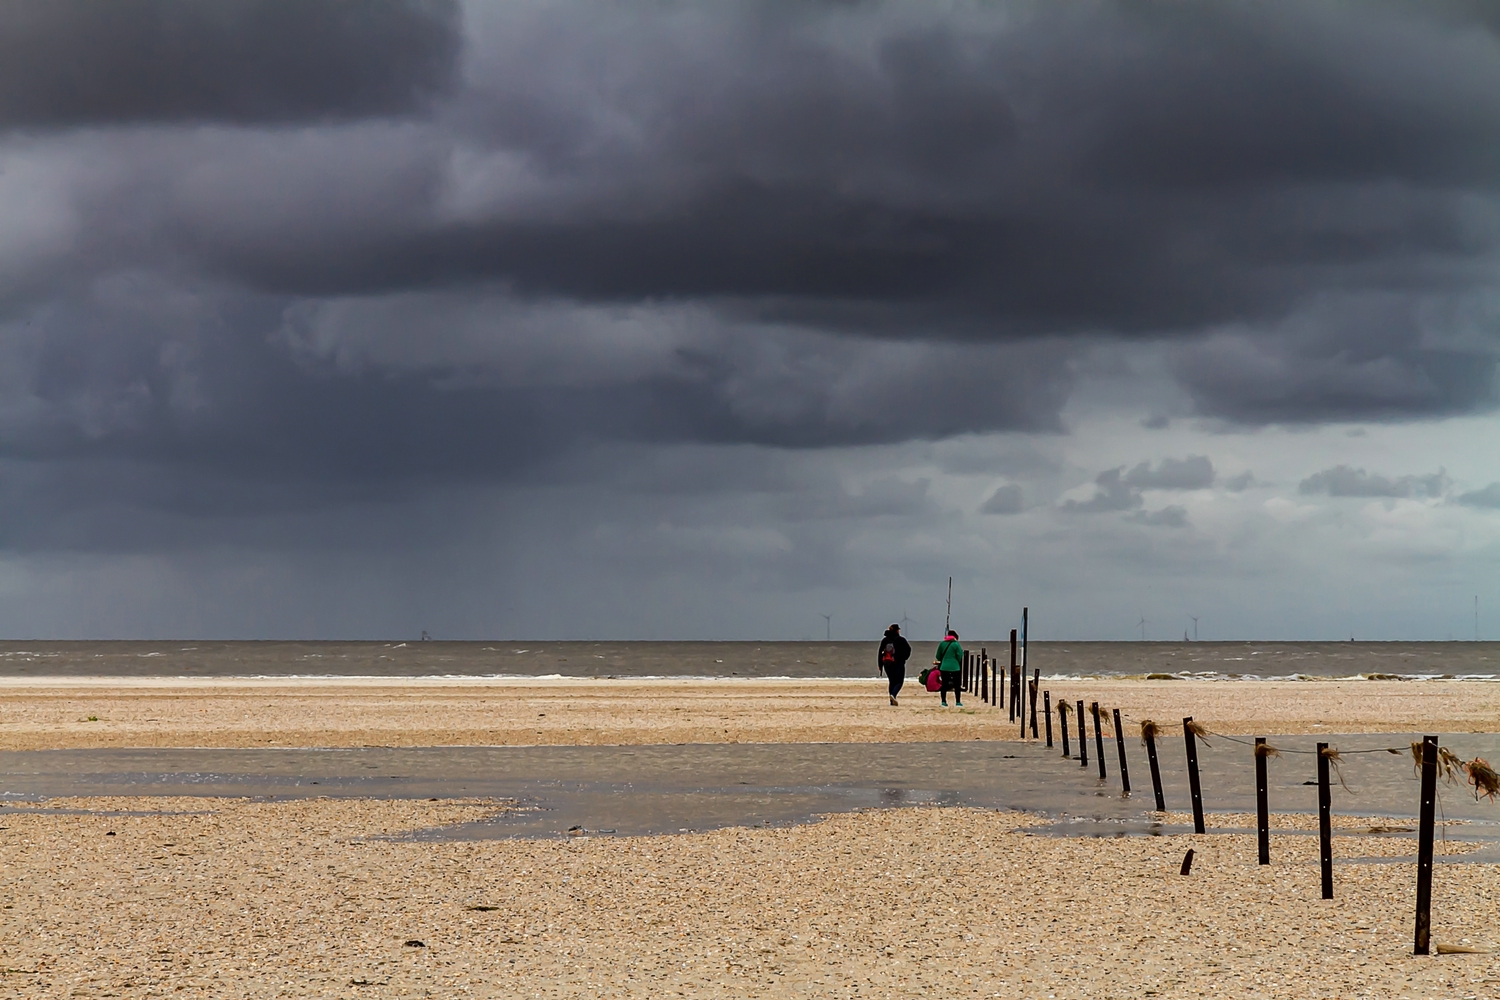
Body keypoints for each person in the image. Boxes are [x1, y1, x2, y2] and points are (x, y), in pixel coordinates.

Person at [877, 624, 911, 705]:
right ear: (897, 630)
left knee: (892, 681)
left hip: (887, 663)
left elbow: (880, 653)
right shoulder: (901, 639)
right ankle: (893, 695)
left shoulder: (885, 640)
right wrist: (904, 658)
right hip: (898, 663)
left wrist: (880, 664)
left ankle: (891, 701)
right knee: (899, 681)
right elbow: (908, 650)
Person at [933, 629, 964, 707]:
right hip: (955, 667)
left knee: (944, 685)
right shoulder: (956, 644)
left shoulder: (942, 644)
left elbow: (938, 656)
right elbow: (959, 655)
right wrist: (956, 661)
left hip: (944, 667)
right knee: (957, 685)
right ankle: (958, 702)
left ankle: (943, 701)